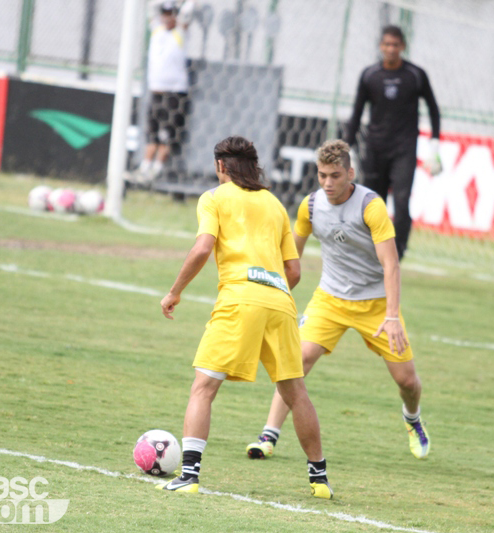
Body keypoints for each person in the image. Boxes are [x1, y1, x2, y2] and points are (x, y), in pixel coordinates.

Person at [157, 136, 333, 499]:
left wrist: (174, 291)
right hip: (281, 302)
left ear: (221, 166)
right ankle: (320, 481)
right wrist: (270, 290)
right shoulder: (275, 204)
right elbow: (294, 271)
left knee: (203, 387)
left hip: (239, 300)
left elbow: (203, 248)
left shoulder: (214, 198)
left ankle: (189, 476)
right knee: (296, 393)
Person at [245, 139, 430, 462]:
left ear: (350, 173)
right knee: (298, 360)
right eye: (322, 175)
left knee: (407, 381)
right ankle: (268, 436)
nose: (328, 183)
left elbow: (391, 264)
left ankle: (412, 418)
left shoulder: (370, 206)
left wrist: (392, 316)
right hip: (330, 298)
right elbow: (292, 257)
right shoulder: (310, 206)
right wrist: (273, 293)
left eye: (335, 175)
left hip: (376, 303)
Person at [344, 25, 442, 260]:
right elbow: (356, 113)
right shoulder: (370, 75)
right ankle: (369, 249)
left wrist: (435, 145)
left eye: (395, 45)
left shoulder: (415, 75)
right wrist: (347, 150)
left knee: (402, 200)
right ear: (381, 46)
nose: (391, 49)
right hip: (375, 148)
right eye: (387, 44)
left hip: (404, 149)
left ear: (403, 47)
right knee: (372, 202)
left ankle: (398, 252)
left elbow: (433, 109)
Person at [135, 1, 190, 183]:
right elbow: (150, 8)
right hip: (156, 91)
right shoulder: (156, 31)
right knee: (151, 132)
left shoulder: (179, 33)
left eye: (170, 13)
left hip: (174, 92)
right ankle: (144, 168)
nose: (167, 17)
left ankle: (156, 170)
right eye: (164, 13)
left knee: (167, 134)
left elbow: (188, 13)